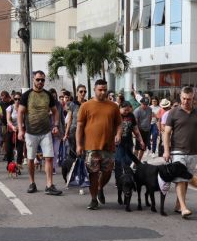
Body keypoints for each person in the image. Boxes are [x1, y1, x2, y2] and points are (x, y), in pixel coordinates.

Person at [163, 87, 197, 219]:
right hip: (177, 151)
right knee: (180, 179)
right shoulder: (173, 112)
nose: (185, 101)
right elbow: (166, 133)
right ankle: (184, 208)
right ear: (180, 97)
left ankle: (179, 205)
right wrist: (166, 151)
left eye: (188, 99)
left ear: (193, 98)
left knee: (186, 179)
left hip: (193, 152)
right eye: (183, 98)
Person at [76, 79, 122, 210]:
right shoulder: (86, 106)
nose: (103, 92)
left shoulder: (113, 106)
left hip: (108, 146)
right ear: (95, 90)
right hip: (91, 147)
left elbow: (119, 124)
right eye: (100, 90)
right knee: (93, 173)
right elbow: (79, 127)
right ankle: (93, 199)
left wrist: (118, 135)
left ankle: (101, 187)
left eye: (104, 90)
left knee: (107, 172)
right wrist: (79, 145)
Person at [18, 71, 63, 195]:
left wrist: (55, 125)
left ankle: (49, 185)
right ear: (33, 79)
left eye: (42, 80)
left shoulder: (48, 95)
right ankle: (32, 183)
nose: (40, 82)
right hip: (30, 132)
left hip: (46, 132)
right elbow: (20, 113)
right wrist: (21, 130)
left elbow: (55, 111)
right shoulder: (26, 95)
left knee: (49, 157)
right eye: (38, 79)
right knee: (31, 159)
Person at [63, 85, 87, 154]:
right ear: (77, 93)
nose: (83, 93)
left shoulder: (87, 104)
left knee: (83, 152)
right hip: (73, 131)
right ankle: (72, 164)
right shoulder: (73, 104)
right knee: (73, 153)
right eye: (81, 91)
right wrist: (66, 133)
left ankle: (80, 164)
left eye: (85, 91)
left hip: (84, 131)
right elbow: (70, 119)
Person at [133, 97, 152, 163]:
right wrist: (136, 133)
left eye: (146, 104)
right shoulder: (137, 111)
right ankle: (135, 161)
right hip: (140, 131)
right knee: (137, 147)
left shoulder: (149, 109)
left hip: (147, 130)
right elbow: (135, 122)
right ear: (141, 103)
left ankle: (139, 161)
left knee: (143, 147)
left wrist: (149, 126)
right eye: (144, 104)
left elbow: (150, 117)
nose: (145, 106)